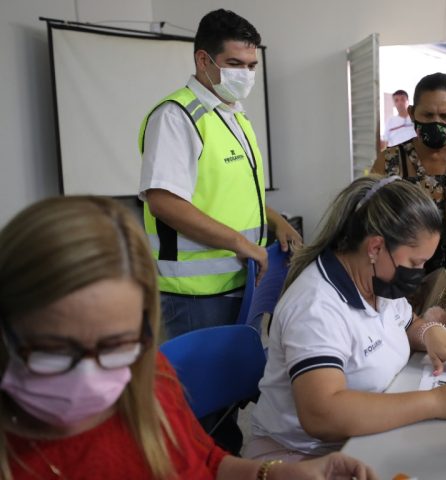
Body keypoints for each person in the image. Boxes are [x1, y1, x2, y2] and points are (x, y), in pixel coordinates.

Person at [0, 196, 377, 480]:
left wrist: (275, 473)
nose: (88, 376)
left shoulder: (151, 378)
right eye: (53, 351)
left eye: (116, 346)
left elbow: (206, 464)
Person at [138, 8, 302, 453]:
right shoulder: (177, 117)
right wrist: (240, 243)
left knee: (229, 400)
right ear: (203, 61)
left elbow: (231, 193)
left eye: (251, 66)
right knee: (197, 410)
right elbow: (164, 200)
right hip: (193, 294)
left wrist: (276, 219)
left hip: (238, 281)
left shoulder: (232, 114)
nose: (245, 75)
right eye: (234, 65)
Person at [246, 176, 446, 460]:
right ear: (375, 248)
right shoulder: (316, 307)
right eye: (415, 263)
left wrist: (430, 331)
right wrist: (435, 402)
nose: (420, 272)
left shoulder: (376, 281)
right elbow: (322, 414)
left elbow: (406, 322)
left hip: (362, 441)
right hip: (300, 457)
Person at [371, 73, 446, 271]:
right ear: (413, 113)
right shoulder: (390, 160)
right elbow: (368, 218)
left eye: (445, 116)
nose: (436, 123)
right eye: (428, 115)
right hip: (401, 272)